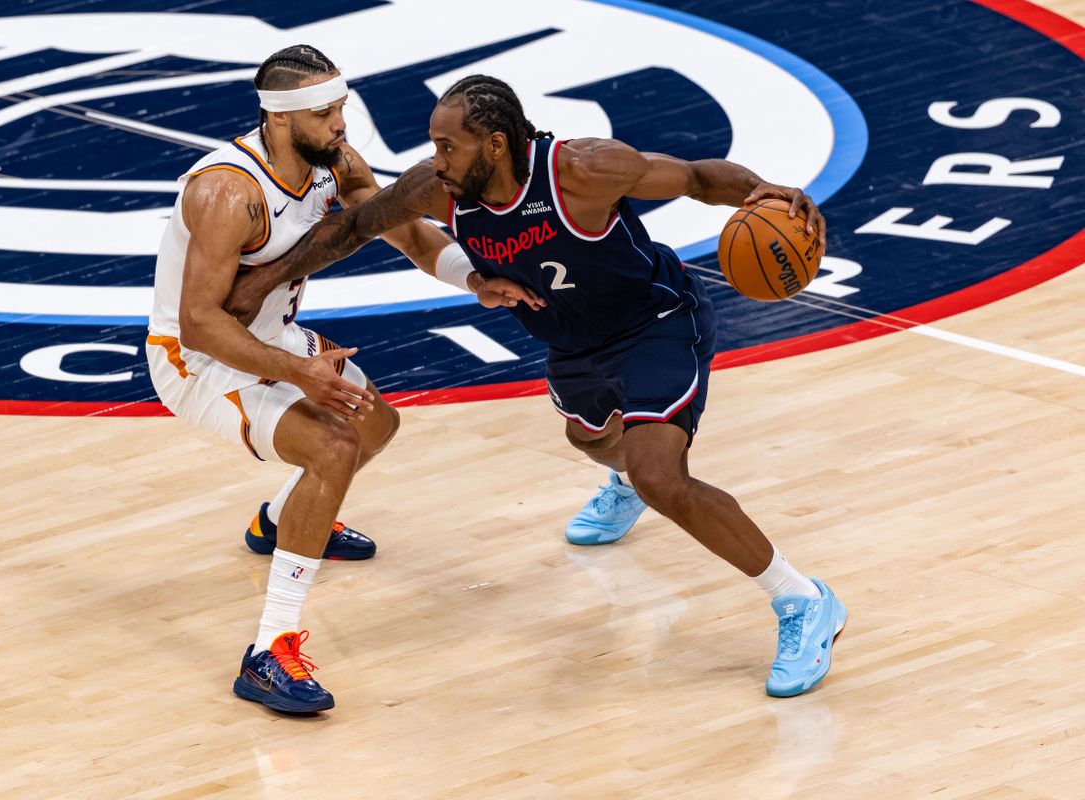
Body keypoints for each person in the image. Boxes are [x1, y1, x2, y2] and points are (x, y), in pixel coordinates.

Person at [225, 74, 847, 697]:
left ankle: (801, 599)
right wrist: (264, 280)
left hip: (655, 324)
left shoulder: (585, 169)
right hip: (572, 343)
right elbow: (356, 225)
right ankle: (625, 478)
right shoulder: (438, 189)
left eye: (448, 147)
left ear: (495, 145)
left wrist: (763, 191)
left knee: (661, 474)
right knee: (591, 439)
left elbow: (695, 178)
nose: (435, 161)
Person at [146, 52, 539, 715]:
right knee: (332, 449)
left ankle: (282, 521)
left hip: (273, 342)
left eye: (340, 109)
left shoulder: (339, 163)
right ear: (279, 118)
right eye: (325, 114)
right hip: (195, 359)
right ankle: (269, 651)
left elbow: (410, 233)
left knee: (376, 425)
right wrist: (299, 371)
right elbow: (201, 322)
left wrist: (473, 279)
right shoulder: (227, 192)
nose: (341, 125)